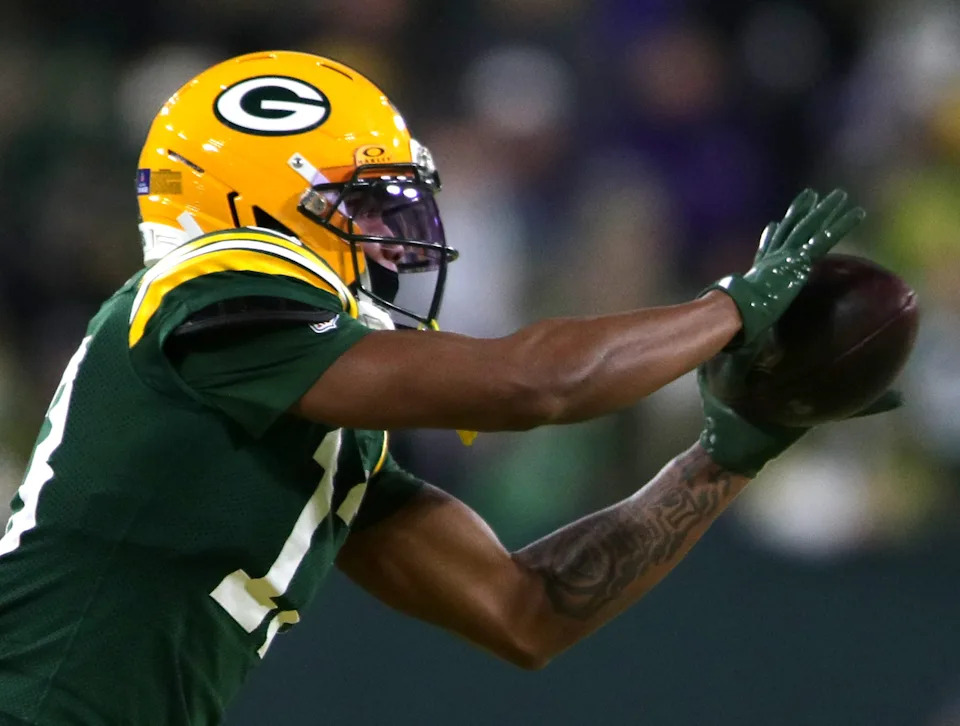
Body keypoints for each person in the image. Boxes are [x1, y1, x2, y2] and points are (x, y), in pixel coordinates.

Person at [0, 51, 895, 725]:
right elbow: (527, 387)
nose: (392, 244)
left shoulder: (311, 415)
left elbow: (526, 611)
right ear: (251, 206)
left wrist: (730, 451)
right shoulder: (210, 287)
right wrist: (733, 307)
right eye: (361, 206)